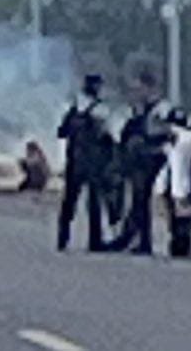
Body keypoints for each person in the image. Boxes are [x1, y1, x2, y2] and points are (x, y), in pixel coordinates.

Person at [107, 68, 170, 255]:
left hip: (155, 159)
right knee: (138, 201)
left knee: (142, 201)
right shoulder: (140, 110)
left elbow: (167, 132)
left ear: (149, 87)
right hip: (140, 160)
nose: (136, 92)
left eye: (139, 88)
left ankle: (144, 242)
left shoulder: (162, 109)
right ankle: (136, 239)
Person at [57, 73, 112, 252]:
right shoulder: (100, 110)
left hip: (76, 161)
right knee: (92, 203)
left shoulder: (74, 109)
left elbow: (61, 132)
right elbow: (107, 138)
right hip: (91, 163)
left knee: (71, 202)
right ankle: (94, 241)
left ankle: (63, 238)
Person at [155, 108, 191, 258]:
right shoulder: (175, 144)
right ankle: (180, 244)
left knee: (181, 219)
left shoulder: (183, 141)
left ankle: (181, 244)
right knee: (178, 221)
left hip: (182, 187)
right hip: (177, 187)